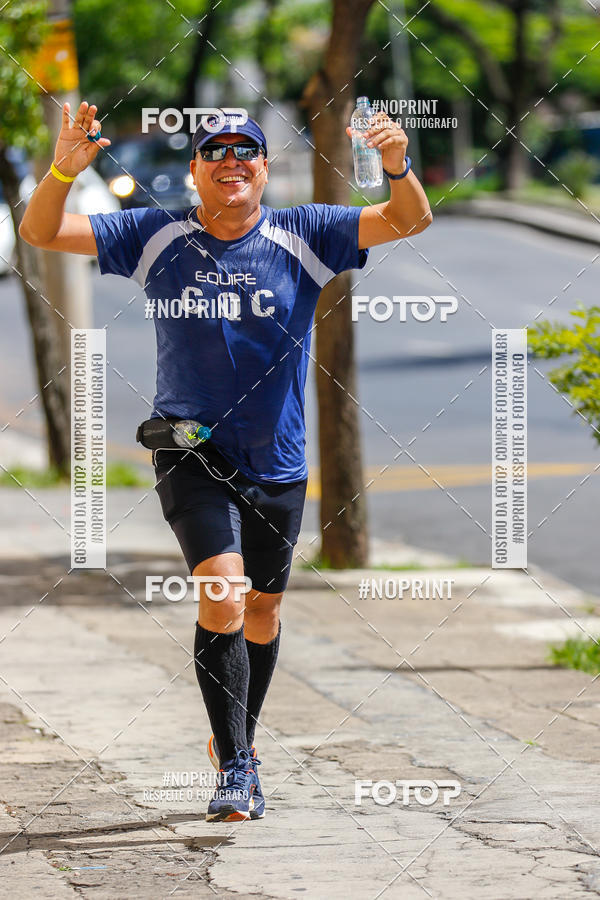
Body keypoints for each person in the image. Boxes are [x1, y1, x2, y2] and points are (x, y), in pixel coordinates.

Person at [20, 100, 432, 822]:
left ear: (265, 170)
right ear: (196, 171)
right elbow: (41, 229)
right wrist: (62, 169)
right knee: (224, 593)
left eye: (247, 152)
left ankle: (234, 736)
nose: (232, 162)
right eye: (216, 152)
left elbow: (408, 220)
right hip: (191, 452)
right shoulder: (155, 234)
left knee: (265, 610)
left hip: (278, 456)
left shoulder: (308, 231)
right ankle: (238, 766)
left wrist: (396, 166)